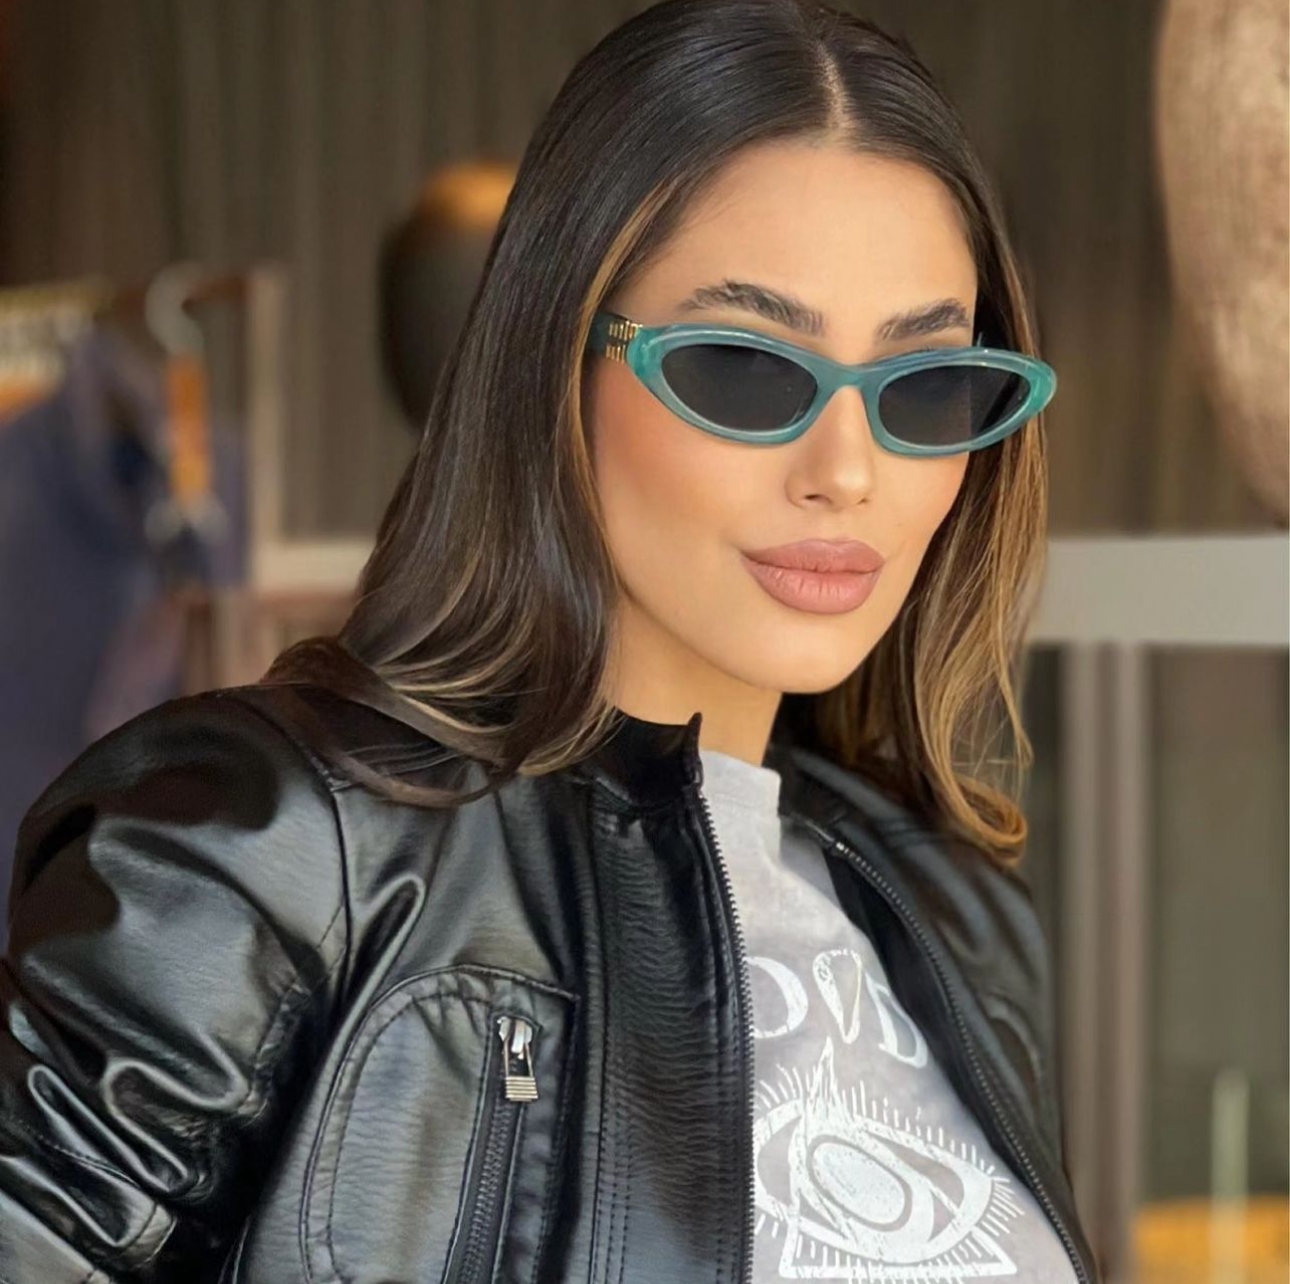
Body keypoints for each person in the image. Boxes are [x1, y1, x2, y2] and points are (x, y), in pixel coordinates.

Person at [0, 1, 1100, 1281]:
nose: (848, 472)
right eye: (745, 369)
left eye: (925, 384)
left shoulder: (955, 911)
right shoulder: (264, 854)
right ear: (556, 364)